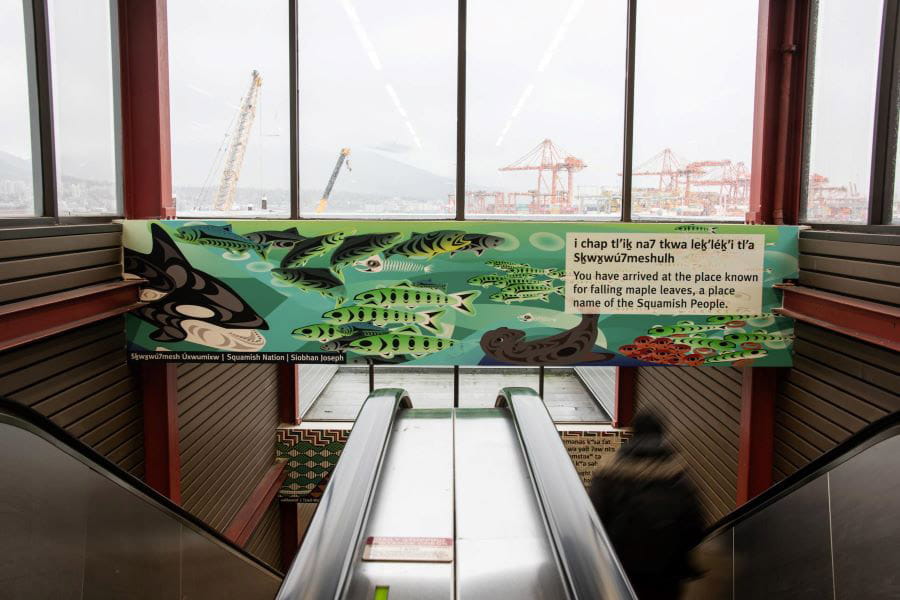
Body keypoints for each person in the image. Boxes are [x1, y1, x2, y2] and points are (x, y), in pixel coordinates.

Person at [589, 411, 705, 600]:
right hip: (667, 572)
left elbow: (594, 518)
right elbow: (696, 524)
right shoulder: (677, 475)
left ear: (634, 433)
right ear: (661, 434)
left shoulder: (608, 474)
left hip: (623, 567)